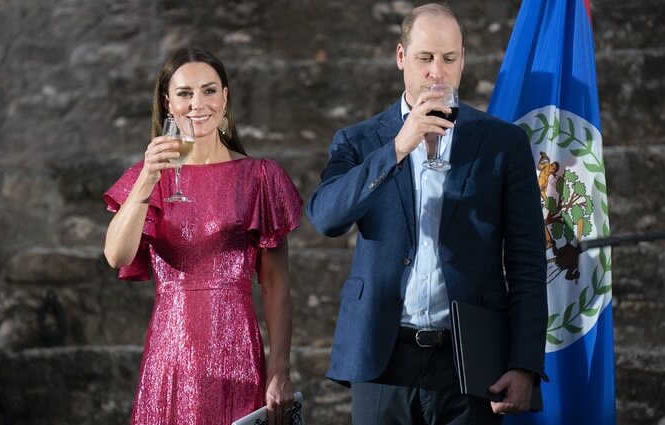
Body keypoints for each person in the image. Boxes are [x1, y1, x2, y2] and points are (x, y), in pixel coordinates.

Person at [306, 3, 548, 424]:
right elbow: (326, 218)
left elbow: (527, 260)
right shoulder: (359, 140)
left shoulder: (503, 143)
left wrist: (525, 363)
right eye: (425, 58)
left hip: (470, 358)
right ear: (401, 57)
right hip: (383, 357)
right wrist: (399, 146)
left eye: (449, 58)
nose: (438, 72)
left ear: (463, 59)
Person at [103, 45, 302, 425]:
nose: (198, 103)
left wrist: (280, 371)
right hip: (169, 355)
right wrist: (148, 178)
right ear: (168, 104)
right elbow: (117, 256)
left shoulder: (261, 176)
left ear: (225, 98)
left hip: (236, 354)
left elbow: (276, 283)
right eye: (184, 93)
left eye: (209, 90)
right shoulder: (148, 177)